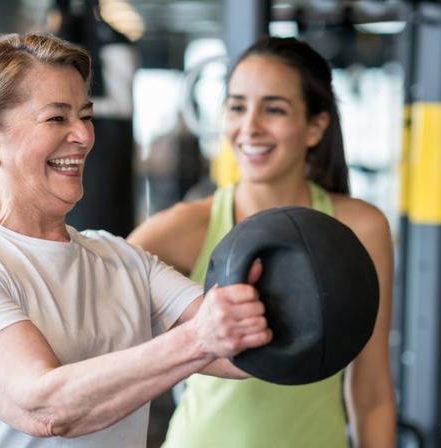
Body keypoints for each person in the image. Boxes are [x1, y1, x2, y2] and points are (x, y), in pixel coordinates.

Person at [0, 32, 272, 448]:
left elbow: (235, 350)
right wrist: (198, 338)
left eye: (86, 115)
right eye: (57, 118)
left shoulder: (122, 260)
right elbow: (44, 407)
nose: (83, 135)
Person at [128, 36, 396, 447]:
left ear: (315, 127)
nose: (249, 126)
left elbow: (372, 391)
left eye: (274, 109)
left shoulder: (360, 228)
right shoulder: (185, 227)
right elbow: (103, 332)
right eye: (237, 106)